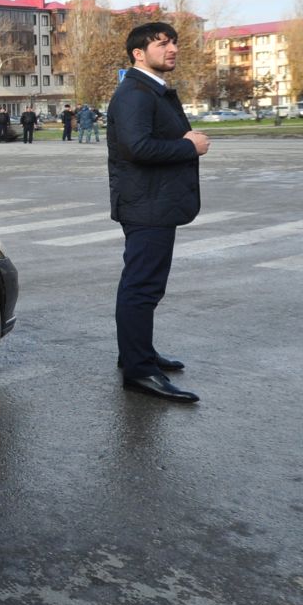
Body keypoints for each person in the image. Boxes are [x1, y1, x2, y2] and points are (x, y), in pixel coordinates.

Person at [107, 22, 209, 404]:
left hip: (153, 202)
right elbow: (137, 148)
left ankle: (138, 354)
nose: (173, 49)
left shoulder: (152, 89)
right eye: (162, 43)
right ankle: (139, 372)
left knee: (142, 284)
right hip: (146, 205)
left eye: (174, 43)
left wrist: (182, 141)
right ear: (138, 53)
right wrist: (189, 147)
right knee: (142, 286)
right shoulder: (135, 92)